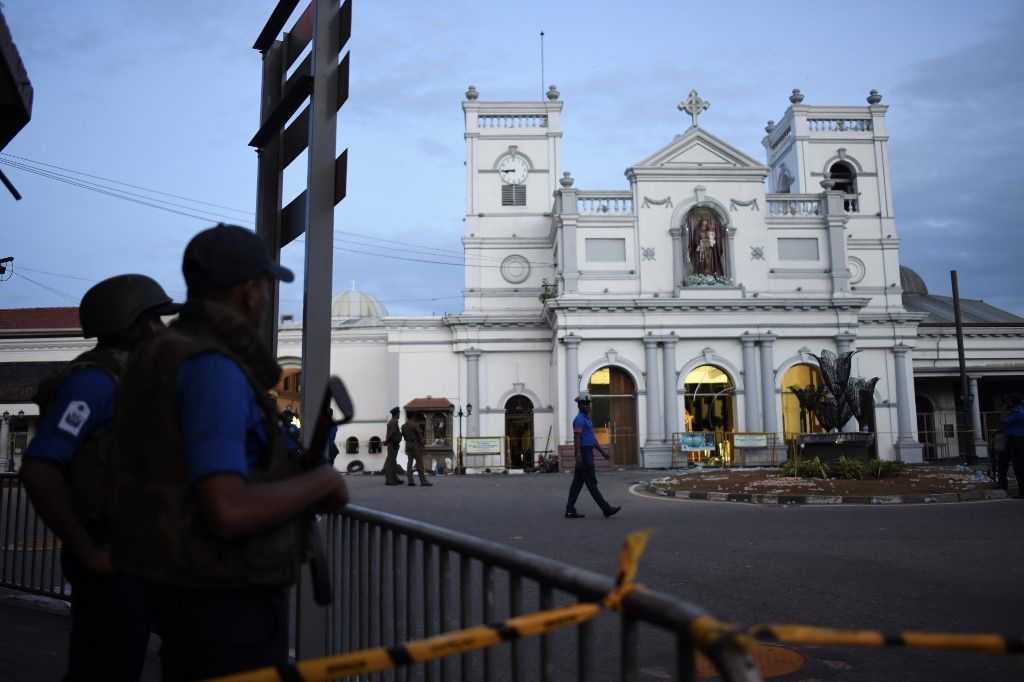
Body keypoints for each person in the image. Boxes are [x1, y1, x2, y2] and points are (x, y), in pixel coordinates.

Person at [109, 224, 349, 680]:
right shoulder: (213, 369)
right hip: (225, 598)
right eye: (264, 286)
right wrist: (320, 482)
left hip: (179, 584)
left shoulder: (162, 352)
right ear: (250, 292)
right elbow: (228, 508)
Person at [21, 273, 182, 681]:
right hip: (109, 557)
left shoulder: (129, 378)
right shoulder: (92, 384)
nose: (162, 331)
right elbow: (40, 469)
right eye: (155, 321)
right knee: (104, 669)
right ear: (131, 327)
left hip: (138, 554)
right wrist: (87, 549)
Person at [565, 392, 620, 519]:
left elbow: (592, 439)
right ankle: (606, 508)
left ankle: (569, 509)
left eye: (589, 404)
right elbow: (577, 438)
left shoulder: (587, 419)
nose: (589, 406)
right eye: (586, 404)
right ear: (580, 406)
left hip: (587, 452)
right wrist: (578, 455)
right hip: (584, 453)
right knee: (591, 483)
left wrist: (602, 452)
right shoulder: (579, 419)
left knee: (577, 483)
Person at [1002, 392, 1024, 498]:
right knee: (1002, 461)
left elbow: (1005, 422)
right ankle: (1002, 484)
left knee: (1018, 466)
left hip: (1017, 441)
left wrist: (1003, 411)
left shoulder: (1018, 412)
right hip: (1012, 441)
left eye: (1008, 402)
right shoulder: (1015, 411)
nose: (1006, 404)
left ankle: (1022, 491)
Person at [401, 409, 431, 486]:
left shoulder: (403, 426)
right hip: (415, 445)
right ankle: (423, 481)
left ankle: (410, 481)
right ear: (413, 417)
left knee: (409, 463)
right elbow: (421, 437)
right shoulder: (416, 425)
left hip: (408, 444)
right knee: (419, 463)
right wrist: (423, 445)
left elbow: (403, 436)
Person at [384, 406, 402, 485]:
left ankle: (394, 478)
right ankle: (390, 480)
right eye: (399, 413)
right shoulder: (394, 422)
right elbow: (392, 433)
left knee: (392, 462)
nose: (399, 415)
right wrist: (388, 441)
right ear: (396, 414)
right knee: (391, 462)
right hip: (393, 444)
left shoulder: (393, 421)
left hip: (393, 443)